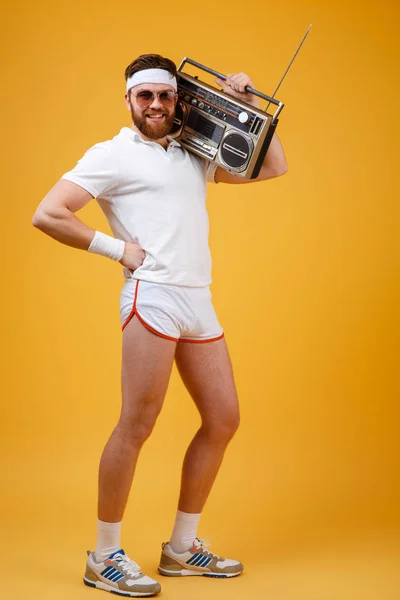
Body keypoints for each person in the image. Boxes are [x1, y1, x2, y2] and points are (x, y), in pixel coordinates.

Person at [32, 53, 288, 597]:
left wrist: (246, 106)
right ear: (128, 100)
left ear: (179, 100)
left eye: (165, 95)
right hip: (154, 297)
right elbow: (49, 213)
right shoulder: (111, 155)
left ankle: (180, 549)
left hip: (199, 298)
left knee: (222, 420)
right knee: (137, 424)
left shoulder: (193, 153)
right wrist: (118, 249)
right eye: (144, 96)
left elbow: (271, 167)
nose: (155, 105)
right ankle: (103, 556)